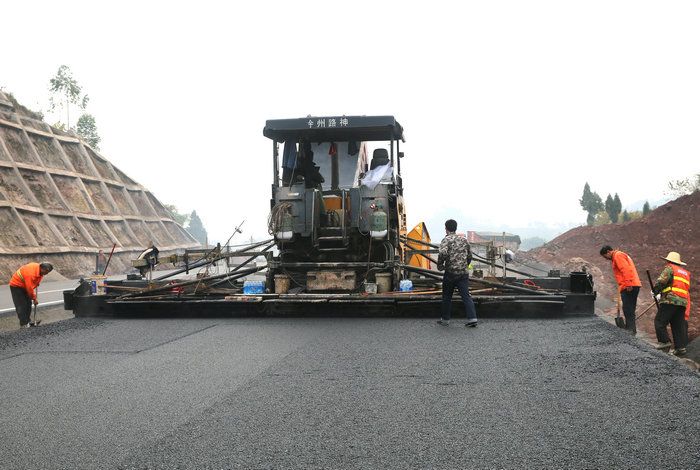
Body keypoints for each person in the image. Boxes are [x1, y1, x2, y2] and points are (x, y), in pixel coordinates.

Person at [437, 219, 478, 327]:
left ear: (446, 228)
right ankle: (472, 318)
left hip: (450, 273)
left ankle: (445, 319)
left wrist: (440, 265)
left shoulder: (446, 240)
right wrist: (465, 265)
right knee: (466, 296)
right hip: (463, 273)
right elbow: (470, 255)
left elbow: (442, 253)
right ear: (455, 228)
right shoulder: (464, 240)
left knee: (447, 296)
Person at [652, 251, 691, 356]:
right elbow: (680, 287)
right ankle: (680, 348)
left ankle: (665, 342)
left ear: (669, 261)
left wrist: (655, 291)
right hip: (682, 303)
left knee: (660, 321)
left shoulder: (670, 268)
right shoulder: (685, 273)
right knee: (678, 325)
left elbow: (661, 281)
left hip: (670, 300)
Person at [600, 245, 642, 334]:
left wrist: (628, 284)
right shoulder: (620, 255)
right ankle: (631, 329)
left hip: (629, 286)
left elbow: (625, 269)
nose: (606, 259)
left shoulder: (617, 256)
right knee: (630, 308)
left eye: (605, 256)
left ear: (608, 252)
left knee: (628, 308)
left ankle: (630, 330)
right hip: (633, 284)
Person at [9, 262, 53, 328]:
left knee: (28, 303)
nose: (47, 273)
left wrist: (36, 283)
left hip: (24, 284)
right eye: (46, 272)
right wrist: (34, 299)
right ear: (42, 268)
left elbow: (35, 280)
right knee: (21, 305)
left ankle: (28, 321)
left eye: (48, 272)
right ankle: (24, 324)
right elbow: (29, 288)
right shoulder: (31, 274)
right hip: (16, 285)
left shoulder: (39, 269)